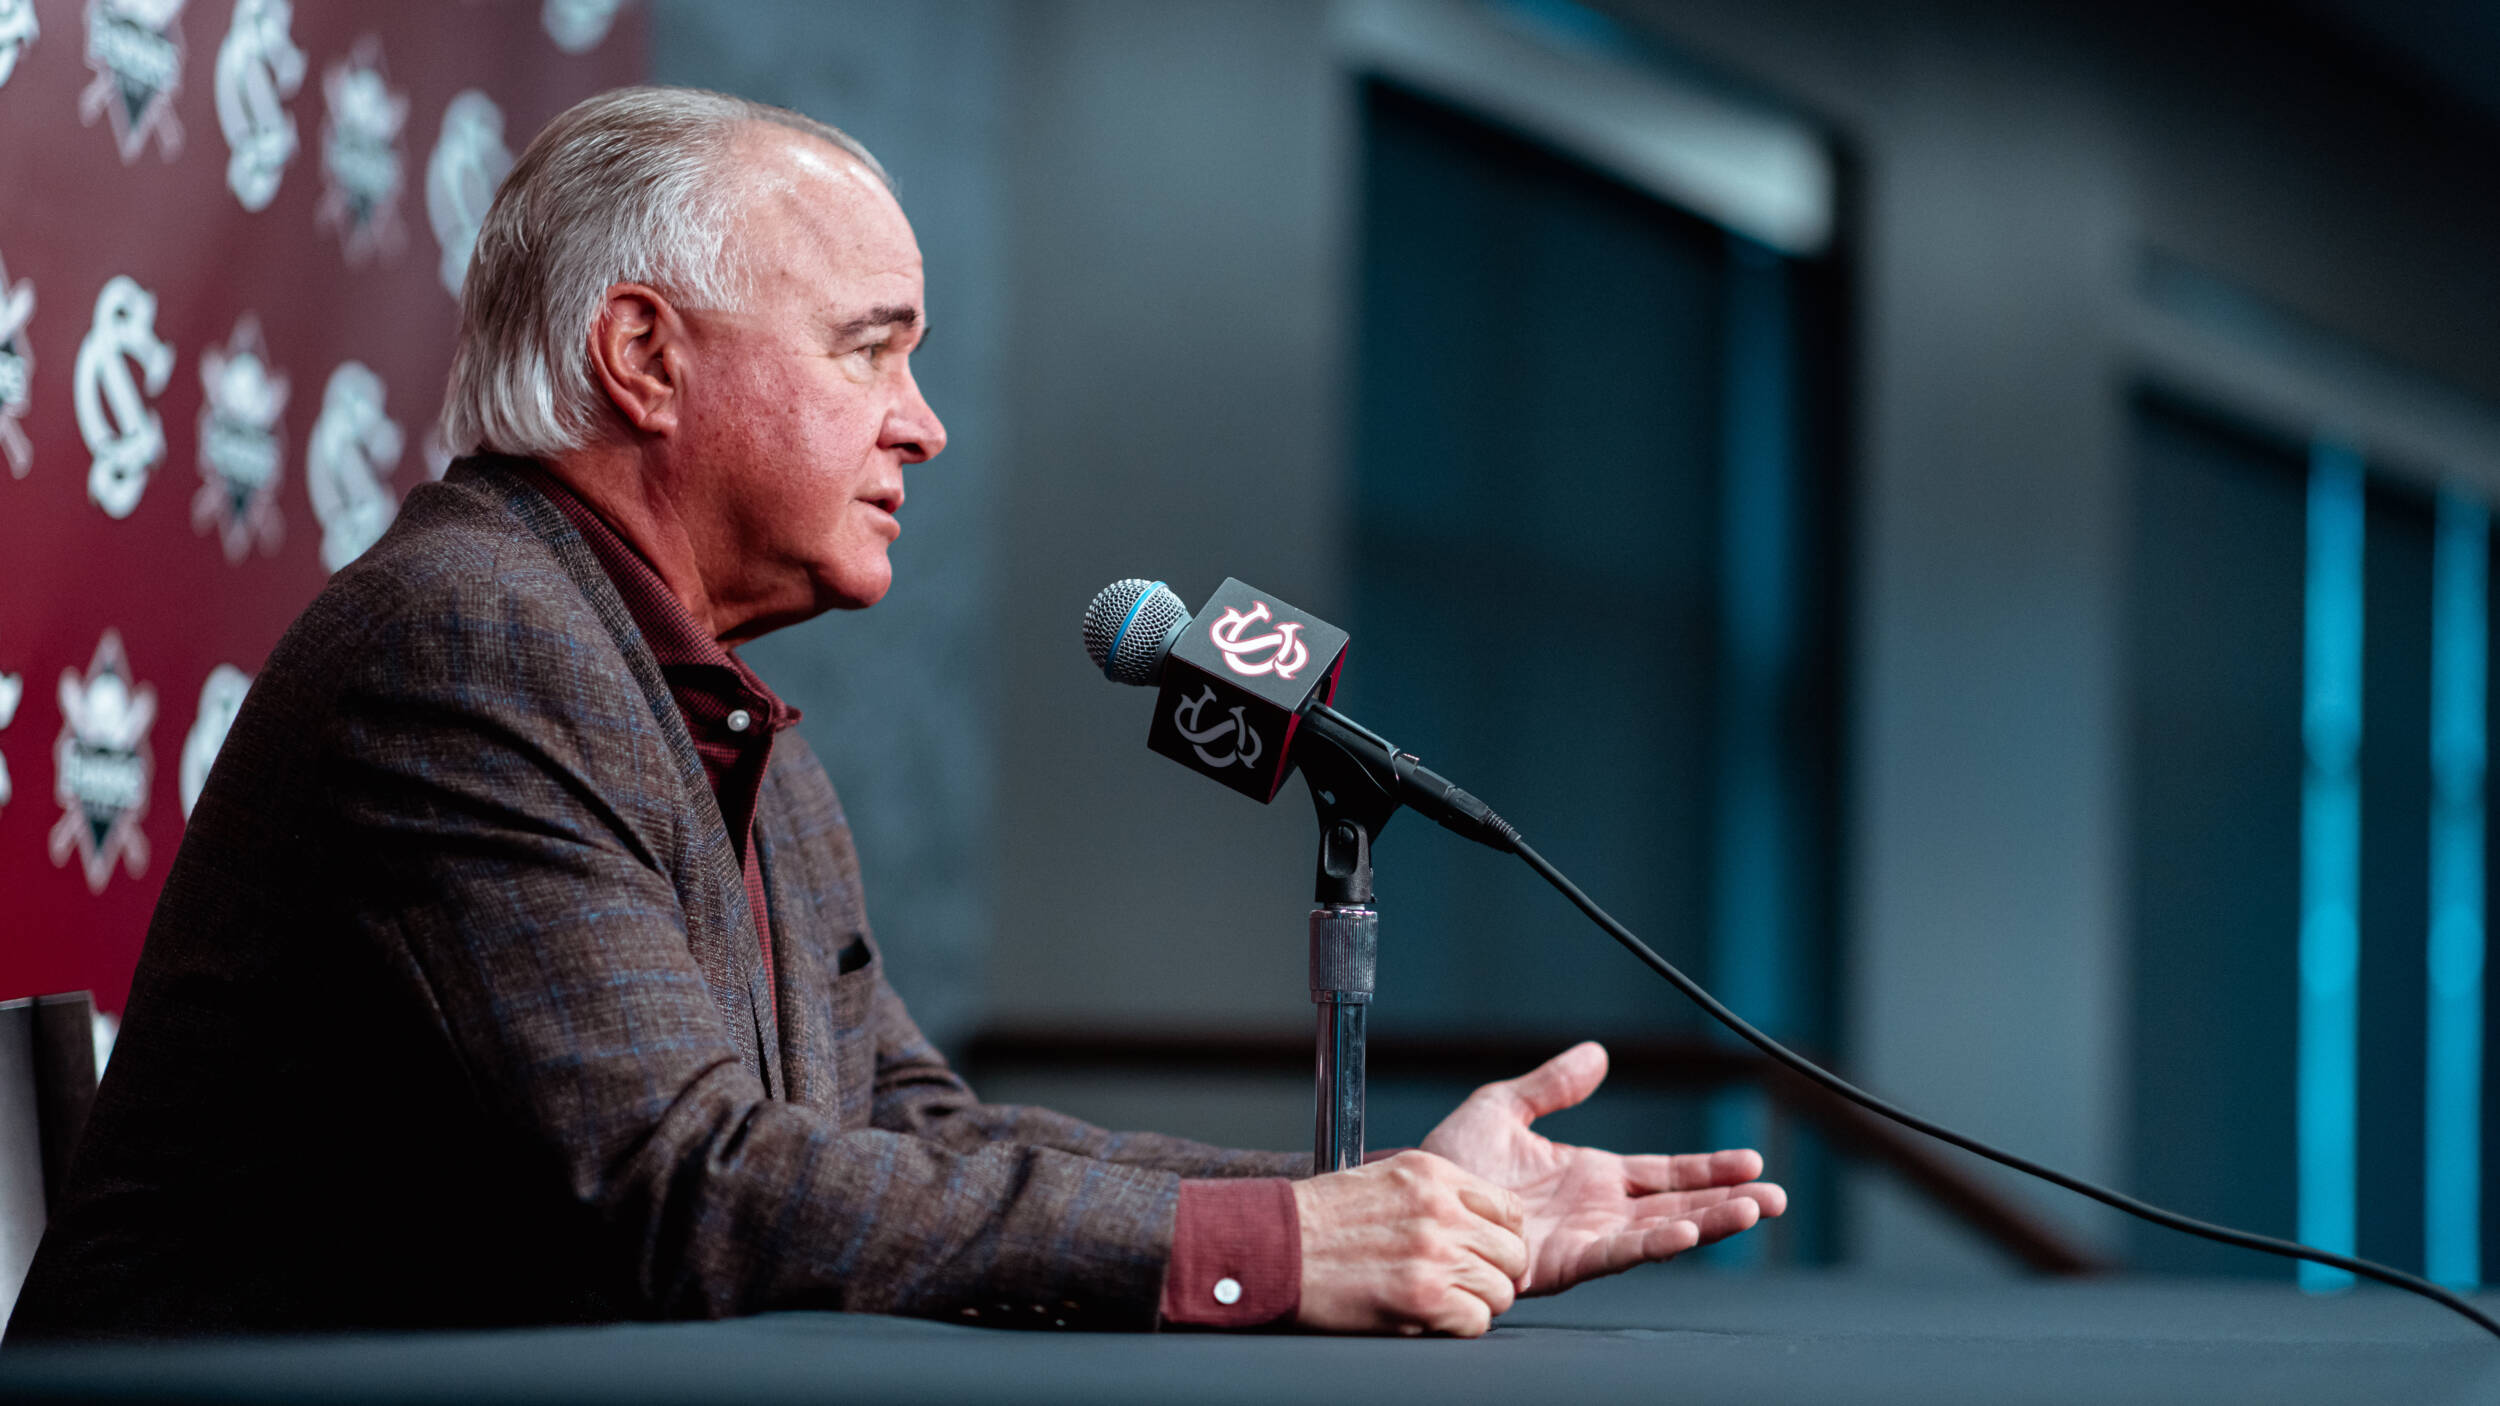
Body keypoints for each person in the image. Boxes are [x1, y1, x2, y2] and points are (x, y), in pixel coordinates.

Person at [9, 87, 1783, 1343]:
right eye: (870, 347)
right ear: (645, 358)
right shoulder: (468, 641)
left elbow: (908, 1134)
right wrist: (1276, 1243)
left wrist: (1384, 1197)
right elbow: (684, 1186)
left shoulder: (707, 704)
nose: (924, 422)